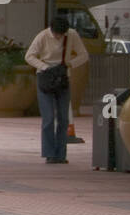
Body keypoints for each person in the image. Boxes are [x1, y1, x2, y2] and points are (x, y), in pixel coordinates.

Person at [26, 16, 88, 164]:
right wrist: (45, 67)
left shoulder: (71, 35)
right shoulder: (42, 36)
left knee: (63, 118)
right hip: (46, 78)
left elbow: (84, 55)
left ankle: (60, 154)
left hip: (62, 78)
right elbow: (29, 56)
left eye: (61, 34)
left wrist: (70, 65)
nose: (58, 37)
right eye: (56, 34)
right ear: (51, 30)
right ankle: (49, 153)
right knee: (48, 118)